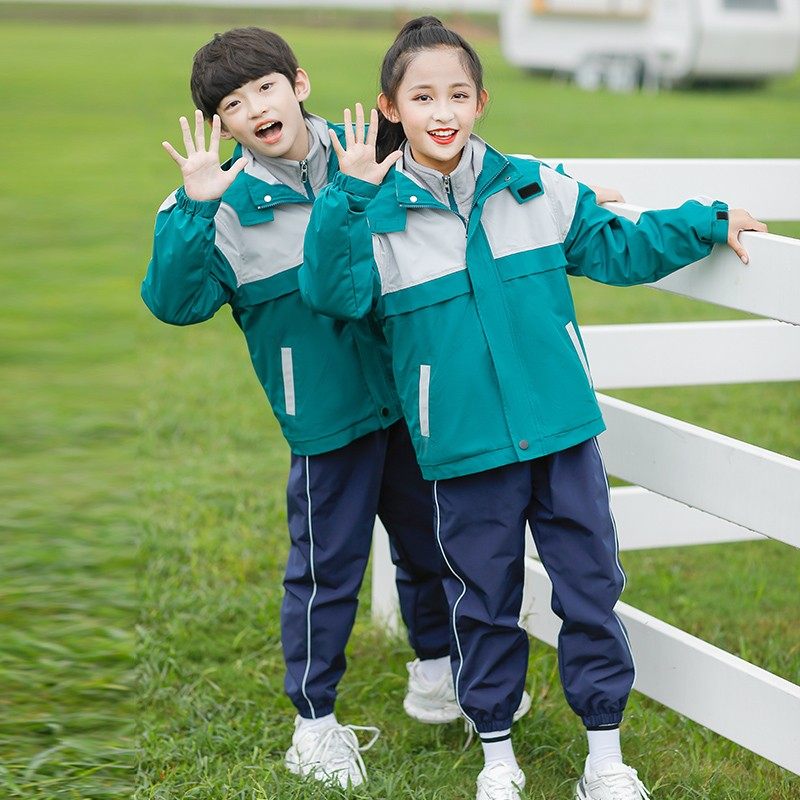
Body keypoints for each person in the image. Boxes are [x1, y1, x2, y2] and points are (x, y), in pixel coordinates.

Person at [298, 16, 768, 800]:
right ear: (392, 108)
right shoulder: (373, 220)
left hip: (561, 436)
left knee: (590, 588)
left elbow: (624, 247)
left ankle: (605, 758)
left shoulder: (536, 189)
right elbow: (330, 294)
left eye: (457, 94)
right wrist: (347, 195)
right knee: (483, 600)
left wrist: (708, 222)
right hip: (463, 449)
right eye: (422, 97)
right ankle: (497, 756)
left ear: (480, 101)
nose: (442, 111)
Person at [141, 26, 485, 789]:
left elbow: (469, 169)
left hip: (410, 394)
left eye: (265, 87)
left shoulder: (372, 147)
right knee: (328, 568)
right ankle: (314, 724)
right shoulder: (216, 199)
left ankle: (437, 673)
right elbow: (174, 303)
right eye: (233, 104)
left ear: (297, 83)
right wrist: (195, 209)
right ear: (221, 124)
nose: (256, 108)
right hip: (324, 419)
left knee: (433, 543)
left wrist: (580, 193)